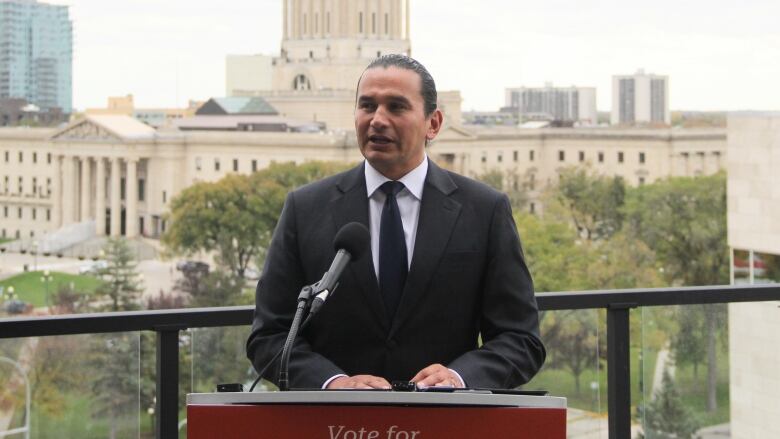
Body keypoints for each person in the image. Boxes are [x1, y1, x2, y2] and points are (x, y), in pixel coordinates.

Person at [246, 54, 545, 390]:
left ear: (433, 123)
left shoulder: (484, 210)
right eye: (367, 106)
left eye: (396, 107)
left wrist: (461, 377)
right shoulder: (305, 208)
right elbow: (269, 335)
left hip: (446, 422)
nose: (377, 119)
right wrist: (331, 383)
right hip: (335, 424)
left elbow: (521, 340)